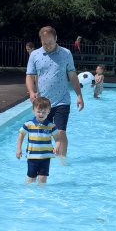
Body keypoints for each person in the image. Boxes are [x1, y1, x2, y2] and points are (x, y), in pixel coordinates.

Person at [26, 26, 84, 160]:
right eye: (44, 43)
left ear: (56, 38)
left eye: (50, 43)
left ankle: (63, 160)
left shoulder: (66, 53)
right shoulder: (35, 55)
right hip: (42, 102)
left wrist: (79, 95)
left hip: (62, 100)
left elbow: (73, 75)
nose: (47, 46)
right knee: (43, 134)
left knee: (61, 132)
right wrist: (31, 92)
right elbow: (29, 75)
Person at [16, 96, 60, 184]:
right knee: (31, 178)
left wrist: (57, 147)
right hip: (32, 157)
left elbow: (57, 139)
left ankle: (41, 194)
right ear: (33, 111)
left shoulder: (51, 126)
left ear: (48, 112)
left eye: (44, 112)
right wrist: (19, 149)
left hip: (46, 157)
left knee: (43, 179)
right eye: (38, 112)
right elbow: (21, 135)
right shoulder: (28, 124)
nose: (41, 114)